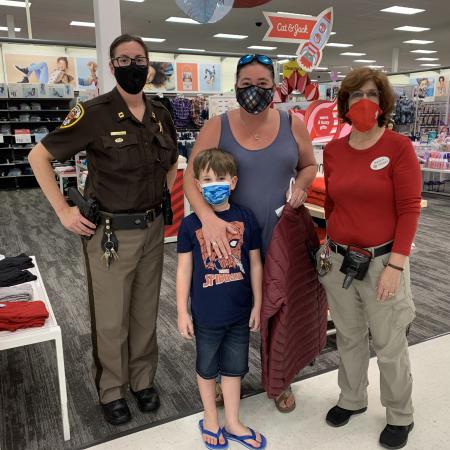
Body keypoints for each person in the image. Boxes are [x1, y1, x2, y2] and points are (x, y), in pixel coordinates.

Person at [28, 34, 178, 425]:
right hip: (111, 234)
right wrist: (62, 211)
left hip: (153, 227)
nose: (133, 66)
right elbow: (38, 156)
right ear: (112, 67)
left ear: (149, 65)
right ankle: (112, 388)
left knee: (146, 311)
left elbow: (172, 160)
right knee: (111, 317)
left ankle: (143, 380)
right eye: (124, 60)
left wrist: (163, 190)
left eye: (139, 59)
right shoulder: (93, 112)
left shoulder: (161, 112)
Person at [183, 54, 317, 412]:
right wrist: (207, 220)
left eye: (262, 85)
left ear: (275, 86)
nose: (254, 92)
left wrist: (302, 186)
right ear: (235, 88)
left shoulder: (293, 124)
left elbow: (309, 164)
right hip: (230, 240)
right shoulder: (218, 126)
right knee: (229, 310)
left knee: (280, 312)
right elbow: (190, 177)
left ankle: (281, 378)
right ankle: (224, 379)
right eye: (246, 85)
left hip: (280, 236)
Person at [319, 67, 421, 449]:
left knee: (389, 341)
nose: (365, 102)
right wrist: (328, 245)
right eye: (356, 95)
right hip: (341, 260)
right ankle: (352, 398)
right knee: (347, 336)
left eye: (373, 95)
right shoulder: (333, 151)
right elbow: (331, 202)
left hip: (383, 263)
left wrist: (396, 265)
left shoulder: (398, 147)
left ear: (383, 103)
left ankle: (400, 413)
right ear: (344, 103)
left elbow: (410, 209)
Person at [177, 148, 266, 450]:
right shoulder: (190, 225)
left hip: (239, 313)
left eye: (220, 178)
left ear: (234, 181)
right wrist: (181, 312)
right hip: (206, 315)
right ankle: (210, 418)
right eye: (207, 179)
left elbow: (255, 263)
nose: (214, 184)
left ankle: (233, 420)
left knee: (234, 368)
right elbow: (183, 270)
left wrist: (258, 302)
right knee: (207, 368)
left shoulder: (245, 218)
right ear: (197, 185)